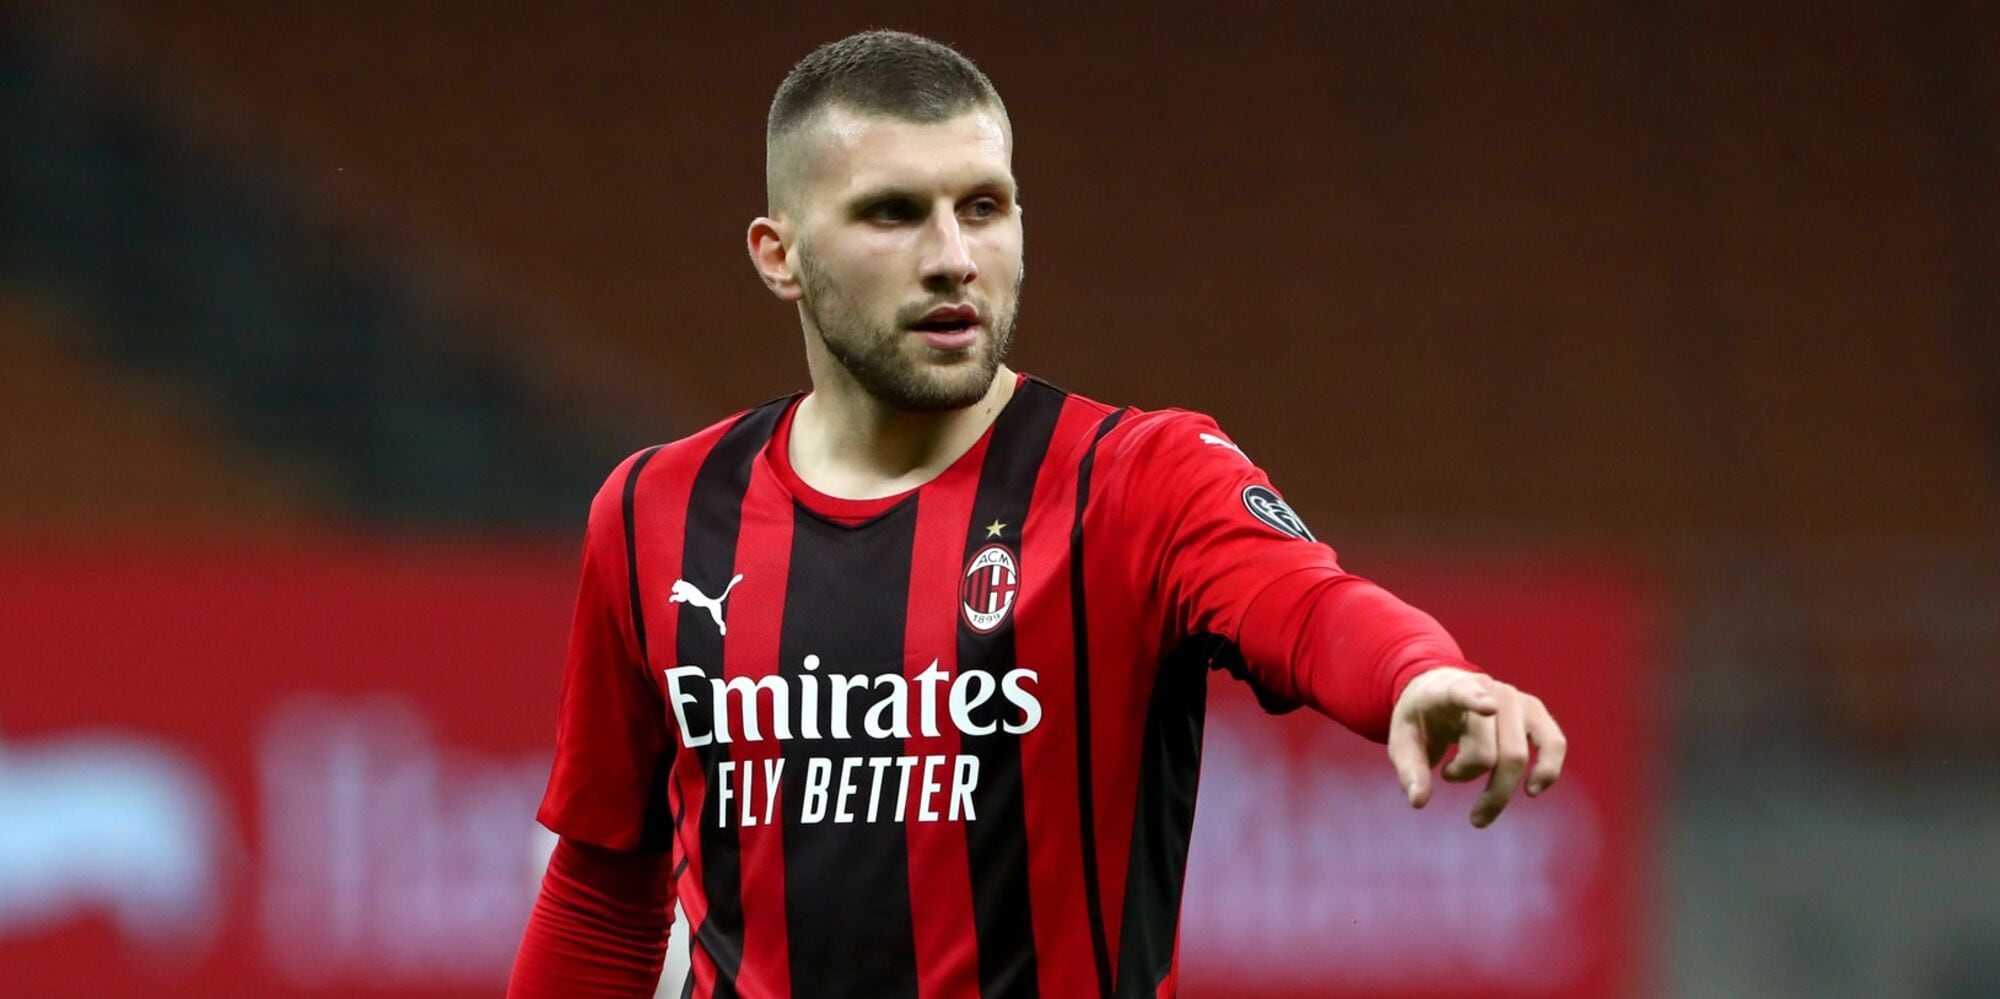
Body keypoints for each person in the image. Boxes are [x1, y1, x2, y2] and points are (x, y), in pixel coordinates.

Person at [508, 29, 1567, 999]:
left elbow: (1305, 602)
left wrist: (1414, 672)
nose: (952, 257)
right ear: (778, 254)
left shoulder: (1137, 479)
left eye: (983, 206)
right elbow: (603, 891)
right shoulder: (655, 512)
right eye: (893, 213)